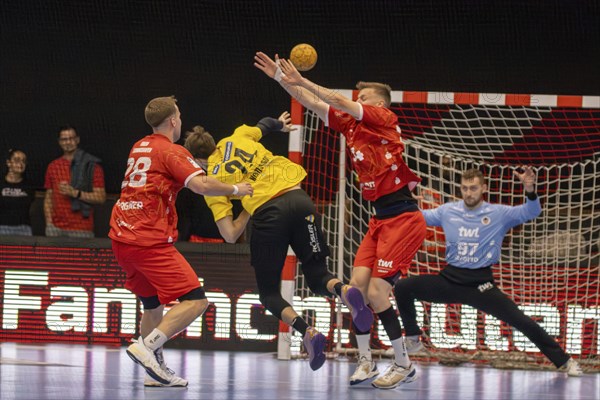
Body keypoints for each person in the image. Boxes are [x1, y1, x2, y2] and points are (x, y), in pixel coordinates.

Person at [255, 53, 426, 388]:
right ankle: (365, 362)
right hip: (379, 220)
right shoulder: (351, 126)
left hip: (404, 218)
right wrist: (280, 78)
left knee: (378, 293)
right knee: (358, 292)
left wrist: (302, 79)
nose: (356, 101)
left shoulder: (384, 117)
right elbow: (315, 104)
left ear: (377, 102)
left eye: (362, 97)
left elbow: (333, 98)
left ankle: (404, 364)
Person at [183, 113, 374, 372]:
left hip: (269, 216)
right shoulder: (238, 135)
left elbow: (229, 234)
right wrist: (281, 125)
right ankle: (344, 290)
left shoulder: (212, 183)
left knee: (270, 294)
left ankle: (308, 332)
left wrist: (248, 201)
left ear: (195, 160)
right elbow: (264, 124)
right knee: (318, 277)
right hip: (299, 199)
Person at [109, 96, 254, 387]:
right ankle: (146, 347)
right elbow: (201, 186)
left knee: (152, 306)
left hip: (121, 237)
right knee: (197, 301)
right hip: (148, 239)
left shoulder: (139, 145)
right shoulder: (171, 150)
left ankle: (156, 370)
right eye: (180, 116)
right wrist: (239, 188)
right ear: (174, 120)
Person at [393, 168, 584, 377]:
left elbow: (532, 212)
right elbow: (416, 217)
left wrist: (529, 189)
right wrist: (403, 197)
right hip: (449, 280)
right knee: (403, 287)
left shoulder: (498, 213)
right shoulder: (448, 211)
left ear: (483, 188)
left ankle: (565, 361)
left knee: (521, 321)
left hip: (480, 285)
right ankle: (412, 339)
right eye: (465, 188)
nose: (469, 193)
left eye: (473, 188)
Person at [44, 125, 106, 238]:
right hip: (56, 229)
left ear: (77, 140)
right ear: (59, 142)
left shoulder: (91, 166)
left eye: (71, 138)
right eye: (64, 139)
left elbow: (101, 197)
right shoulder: (53, 166)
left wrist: (75, 193)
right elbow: (49, 197)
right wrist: (49, 223)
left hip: (81, 229)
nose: (68, 142)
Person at [0, 149, 36, 236]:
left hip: (24, 229)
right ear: (8, 163)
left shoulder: (29, 186)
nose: (20, 163)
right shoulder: (1, 183)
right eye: (17, 160)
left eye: (23, 161)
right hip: (2, 228)